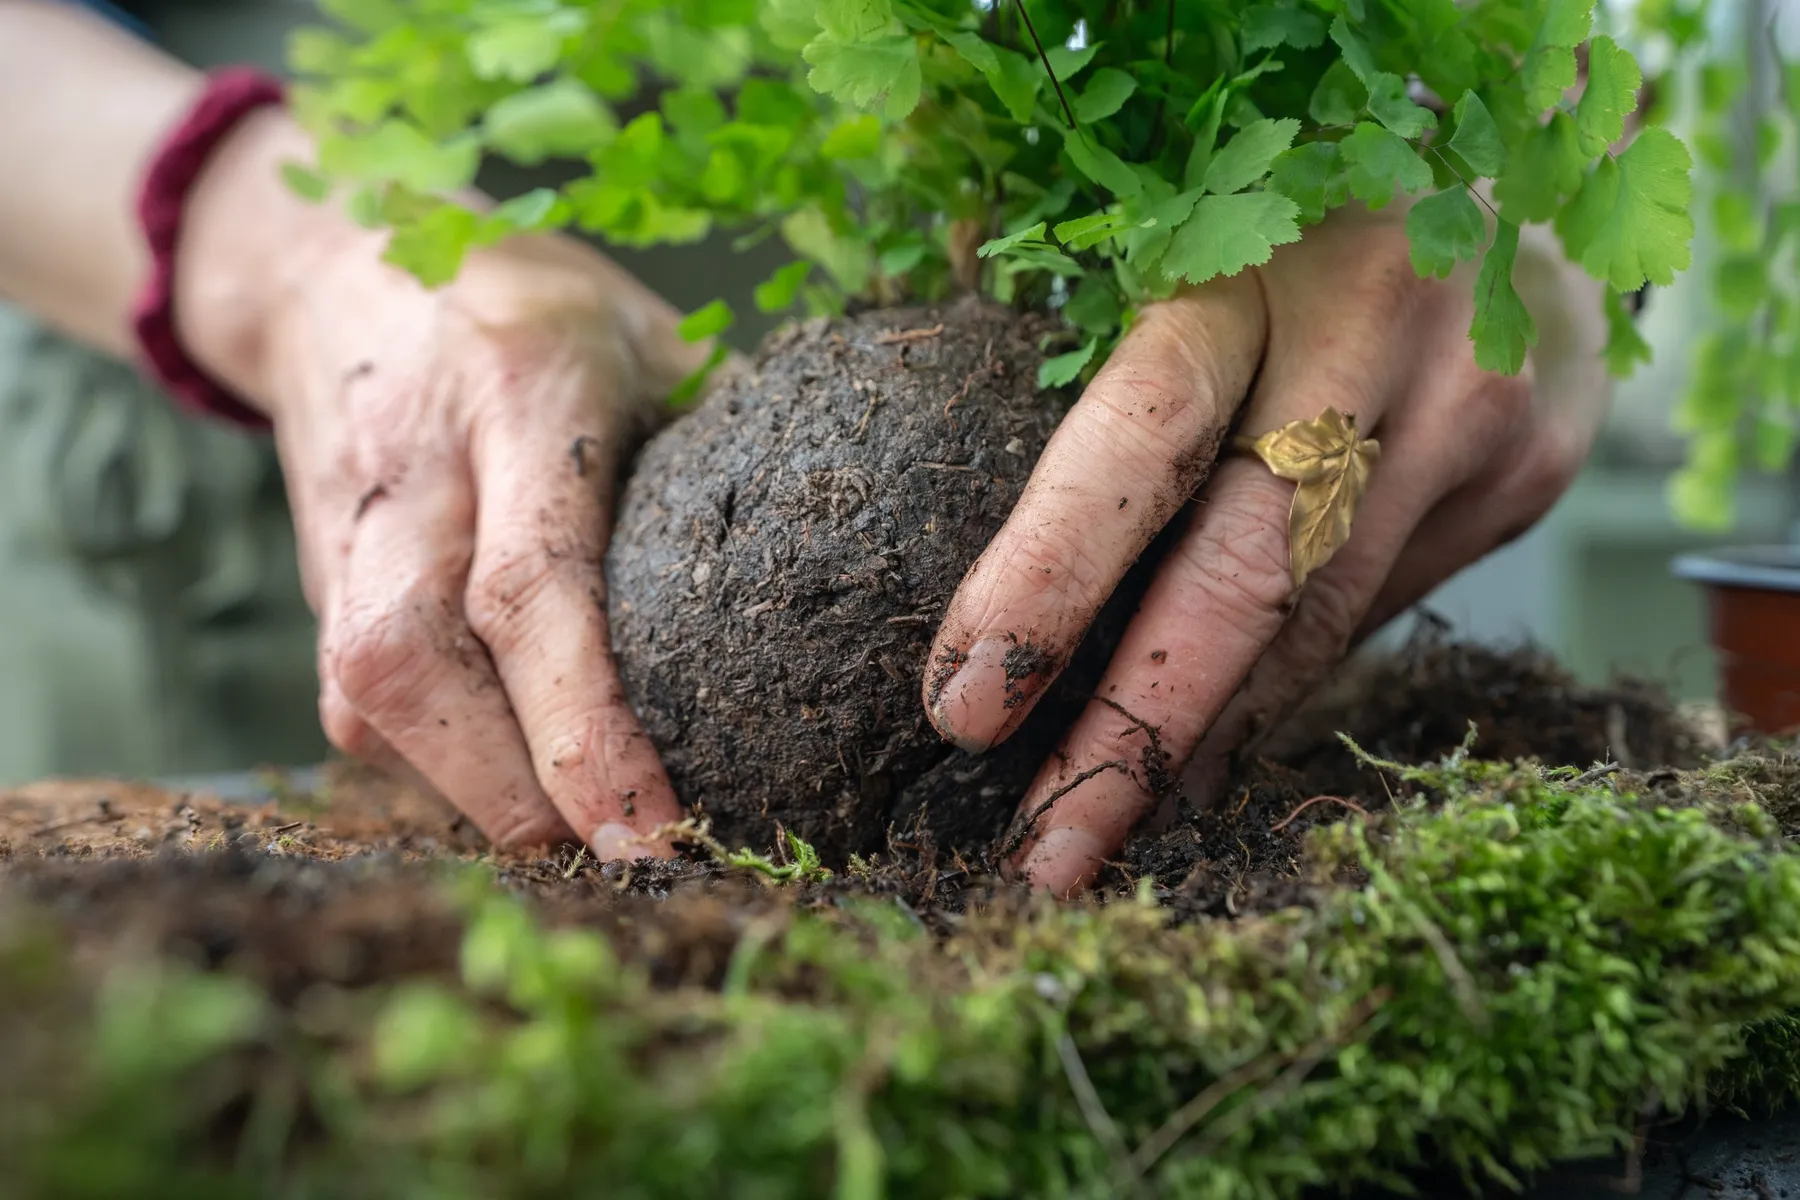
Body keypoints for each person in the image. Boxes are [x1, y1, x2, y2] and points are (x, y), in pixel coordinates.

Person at [0, 0, 1613, 892]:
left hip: (1146, 368)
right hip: (256, 398)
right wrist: (281, 252)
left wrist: (1477, 179)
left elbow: (1497, 66)